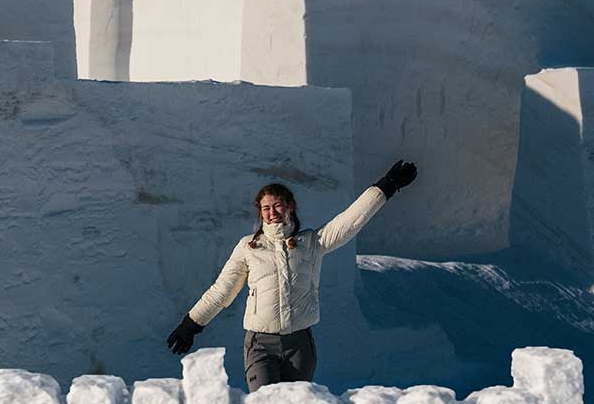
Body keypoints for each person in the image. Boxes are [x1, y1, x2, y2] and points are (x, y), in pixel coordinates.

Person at [165, 160, 416, 391]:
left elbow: (349, 222)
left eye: (277, 205)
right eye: (265, 208)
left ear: (290, 206)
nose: (272, 212)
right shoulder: (248, 248)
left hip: (300, 345)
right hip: (260, 344)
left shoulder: (312, 242)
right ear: (260, 213)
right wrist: (191, 325)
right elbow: (222, 291)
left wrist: (386, 187)